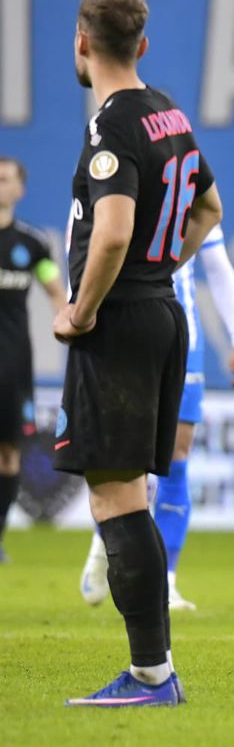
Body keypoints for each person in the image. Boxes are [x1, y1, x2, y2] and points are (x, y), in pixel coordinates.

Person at [55, 0, 223, 707]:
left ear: (82, 43)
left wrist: (81, 309)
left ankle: (153, 674)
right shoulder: (169, 114)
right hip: (161, 312)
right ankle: (153, 670)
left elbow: (115, 229)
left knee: (116, 498)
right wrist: (164, 269)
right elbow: (210, 209)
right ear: (143, 46)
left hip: (120, 322)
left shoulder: (113, 127)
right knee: (130, 495)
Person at [79, 223, 234, 609]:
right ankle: (104, 540)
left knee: (177, 456)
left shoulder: (190, 194)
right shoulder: (120, 188)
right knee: (126, 459)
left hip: (183, 339)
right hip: (125, 335)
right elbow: (85, 249)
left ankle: (167, 581)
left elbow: (219, 267)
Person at [0, 157, 67, 563]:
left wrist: (77, 330)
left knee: (8, 451)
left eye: (5, 178)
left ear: (19, 190)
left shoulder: (32, 245)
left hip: (11, 362)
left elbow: (56, 294)